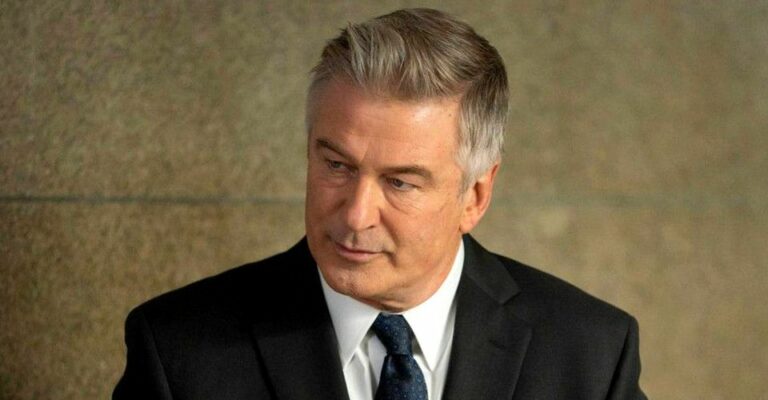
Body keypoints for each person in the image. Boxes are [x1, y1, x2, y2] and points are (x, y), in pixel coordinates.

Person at [114, 8, 646, 400]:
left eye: (400, 183)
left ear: (475, 196)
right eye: (336, 165)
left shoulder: (591, 355)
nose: (355, 214)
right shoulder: (178, 352)